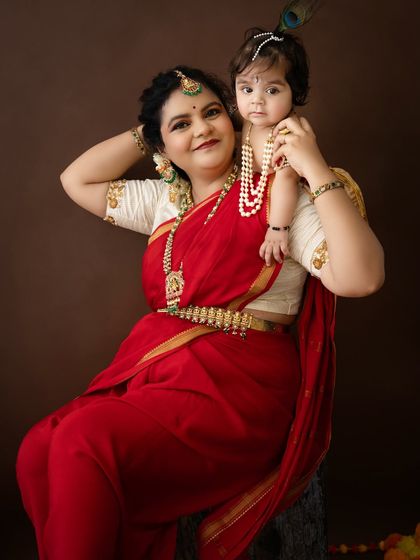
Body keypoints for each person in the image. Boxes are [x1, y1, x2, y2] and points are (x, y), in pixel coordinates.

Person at [16, 63, 384, 560]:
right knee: (39, 447)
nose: (203, 128)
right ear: (160, 149)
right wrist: (146, 130)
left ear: (233, 120)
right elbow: (76, 180)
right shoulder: (167, 202)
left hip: (241, 390)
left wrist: (314, 168)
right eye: (180, 124)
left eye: (212, 112)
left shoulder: (276, 194)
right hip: (162, 380)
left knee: (82, 441)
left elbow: (361, 278)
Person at [231, 27, 303, 264]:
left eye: (272, 90)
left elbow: (287, 178)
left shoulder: (287, 133)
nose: (256, 100)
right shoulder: (247, 119)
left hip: (281, 204)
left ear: (295, 92)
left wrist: (278, 228)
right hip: (249, 197)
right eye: (247, 89)